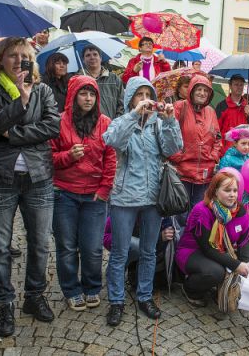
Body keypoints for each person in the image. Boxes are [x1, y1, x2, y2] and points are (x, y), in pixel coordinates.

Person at [0, 37, 61, 337]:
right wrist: (21, 102)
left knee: (39, 244)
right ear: (0, 59)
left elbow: (53, 126)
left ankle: (34, 297)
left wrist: (11, 134)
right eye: (12, 55)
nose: (18, 61)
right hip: (0, 179)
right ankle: (4, 303)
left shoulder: (44, 90)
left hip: (38, 178)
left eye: (24, 56)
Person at [103, 76, 182, 326]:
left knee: (149, 251)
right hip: (124, 197)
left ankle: (145, 296)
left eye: (149, 94)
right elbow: (113, 140)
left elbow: (173, 148)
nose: (145, 99)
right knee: (119, 252)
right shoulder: (122, 121)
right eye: (140, 94)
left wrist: (170, 121)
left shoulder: (158, 124)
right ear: (130, 99)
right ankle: (116, 301)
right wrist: (133, 115)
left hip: (153, 197)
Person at [50, 75, 116, 311]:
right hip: (64, 193)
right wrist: (68, 156)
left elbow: (111, 158)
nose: (88, 99)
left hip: (94, 196)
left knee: (92, 247)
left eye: (92, 94)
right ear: (73, 95)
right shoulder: (59, 122)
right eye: (83, 93)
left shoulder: (105, 122)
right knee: (67, 246)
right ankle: (71, 289)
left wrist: (105, 188)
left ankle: (92, 286)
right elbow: (49, 157)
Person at [176, 172, 249, 308]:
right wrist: (236, 264)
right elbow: (207, 248)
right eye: (227, 190)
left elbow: (244, 241)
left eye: (235, 190)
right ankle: (190, 289)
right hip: (192, 251)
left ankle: (220, 287)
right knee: (215, 272)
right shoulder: (202, 210)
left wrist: (248, 263)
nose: (232, 194)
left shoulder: (240, 211)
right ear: (215, 192)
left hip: (220, 251)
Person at [170, 75, 222, 215]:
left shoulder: (211, 112)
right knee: (180, 214)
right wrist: (177, 157)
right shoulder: (180, 107)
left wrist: (213, 157)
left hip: (205, 173)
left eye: (206, 91)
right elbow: (168, 133)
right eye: (199, 89)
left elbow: (217, 138)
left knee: (198, 213)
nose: (202, 93)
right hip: (182, 171)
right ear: (191, 90)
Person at [215, 74, 249, 153]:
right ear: (230, 86)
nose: (239, 87)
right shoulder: (222, 106)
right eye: (236, 84)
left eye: (241, 85)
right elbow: (216, 129)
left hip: (245, 150)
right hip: (226, 152)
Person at [79, 45, 124, 120]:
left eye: (95, 54)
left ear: (101, 58)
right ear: (83, 60)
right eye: (88, 55)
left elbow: (122, 104)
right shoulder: (78, 79)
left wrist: (115, 124)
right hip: (86, 127)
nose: (92, 57)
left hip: (112, 127)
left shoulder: (114, 78)